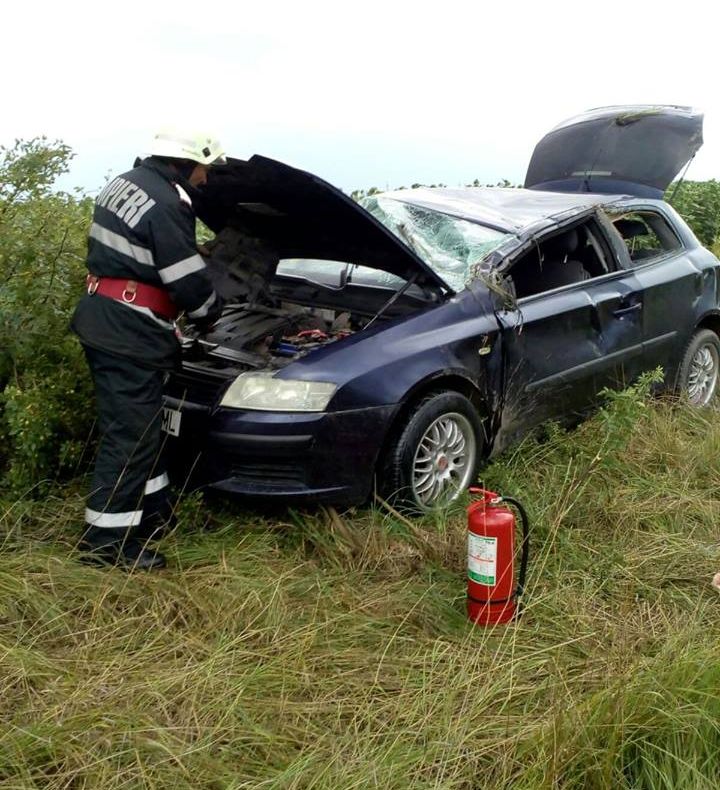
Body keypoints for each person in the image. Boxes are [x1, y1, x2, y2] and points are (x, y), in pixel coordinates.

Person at [71, 131, 226, 570]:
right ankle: (106, 543)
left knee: (143, 427)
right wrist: (212, 311)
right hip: (128, 333)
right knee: (132, 436)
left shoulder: (126, 182)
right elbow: (188, 281)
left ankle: (154, 516)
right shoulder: (165, 202)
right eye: (204, 166)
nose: (206, 177)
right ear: (183, 161)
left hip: (108, 320)